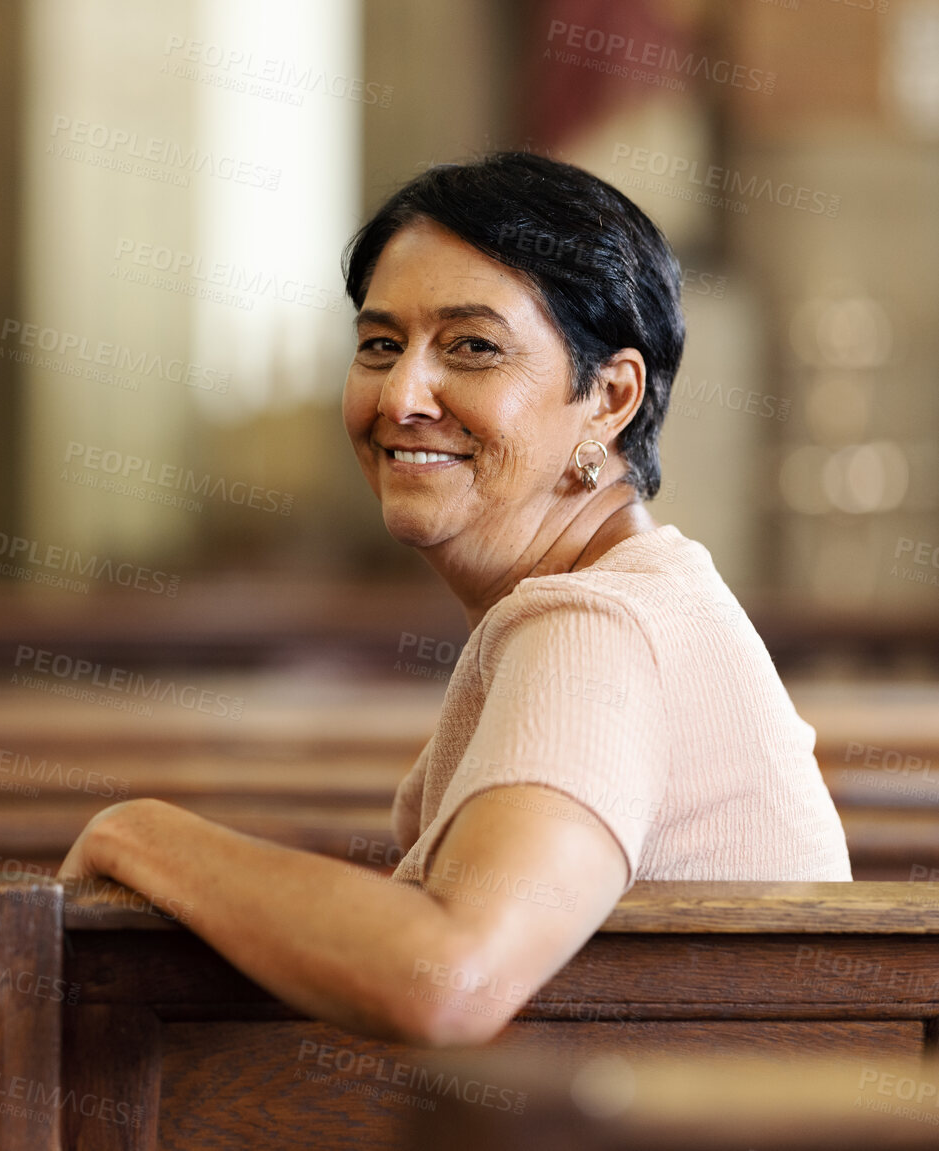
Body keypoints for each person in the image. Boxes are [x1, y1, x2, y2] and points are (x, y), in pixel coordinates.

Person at [56, 151, 851, 1047]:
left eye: (471, 347)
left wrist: (140, 833)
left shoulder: (596, 625)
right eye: (379, 345)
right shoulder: (637, 592)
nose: (401, 395)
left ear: (608, 397)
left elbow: (445, 978)